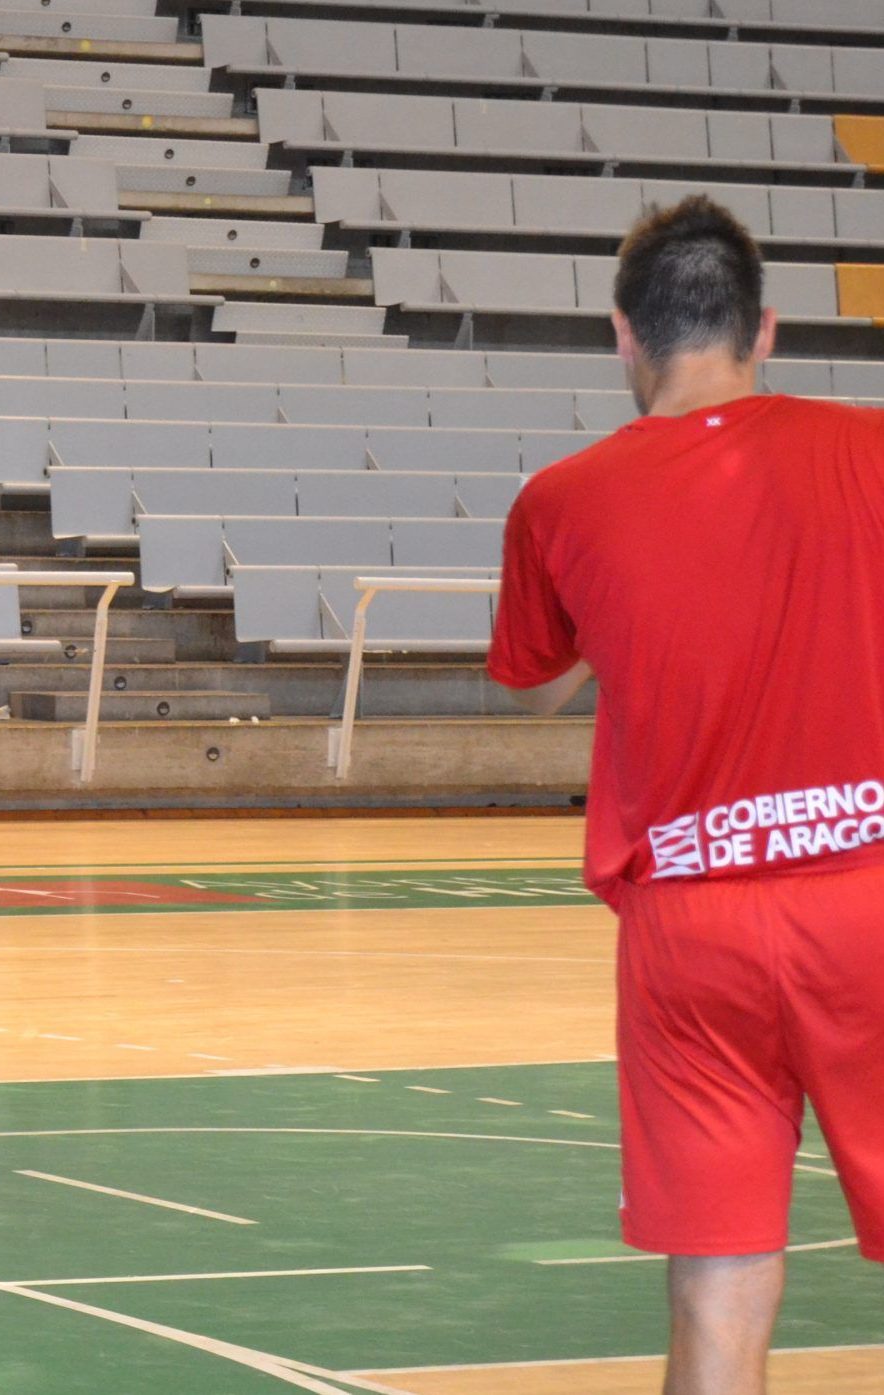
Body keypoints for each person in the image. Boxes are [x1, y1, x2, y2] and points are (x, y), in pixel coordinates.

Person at [488, 195, 884, 1395]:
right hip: (869, 900)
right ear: (765, 332)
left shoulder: (561, 502)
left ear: (623, 334)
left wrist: (635, 623)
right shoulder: (869, 451)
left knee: (717, 1286)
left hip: (690, 929)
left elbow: (532, 693)